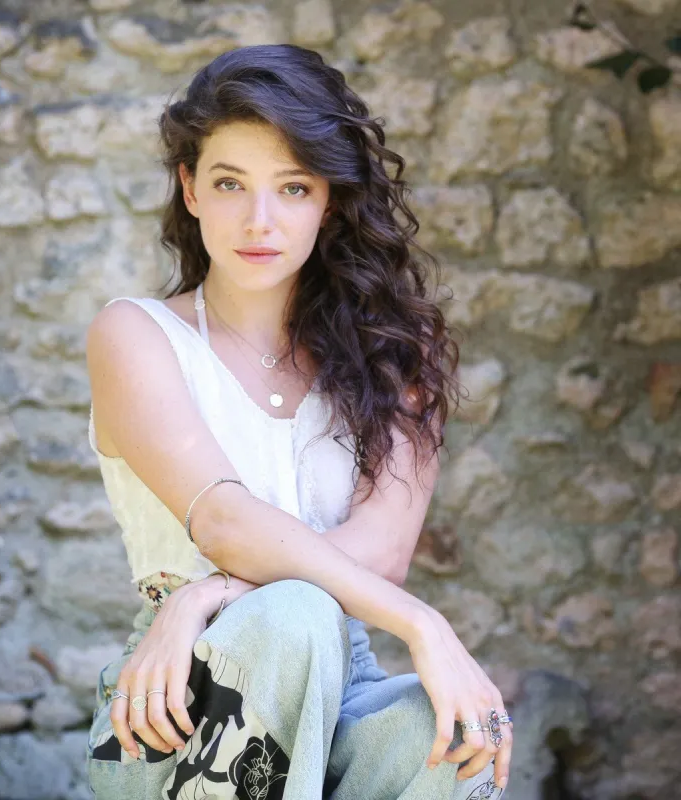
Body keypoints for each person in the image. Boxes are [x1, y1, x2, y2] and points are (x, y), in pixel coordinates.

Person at [84, 43, 513, 799]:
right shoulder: (136, 336)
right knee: (291, 618)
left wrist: (207, 593)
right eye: (229, 183)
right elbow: (222, 519)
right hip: (177, 699)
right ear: (189, 189)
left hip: (342, 686)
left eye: (292, 187)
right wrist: (426, 627)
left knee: (457, 736)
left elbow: (381, 555)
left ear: (329, 200)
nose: (259, 219)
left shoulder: (393, 356)